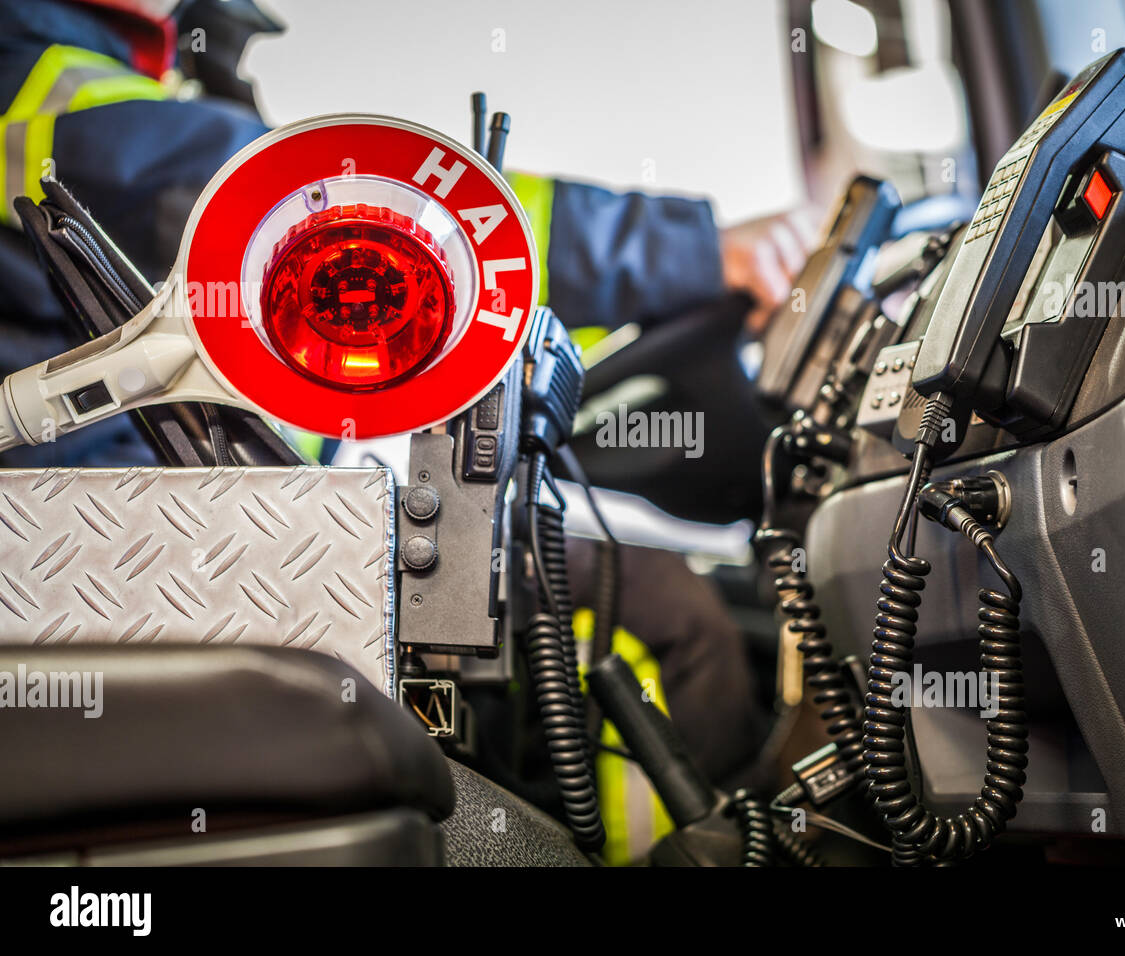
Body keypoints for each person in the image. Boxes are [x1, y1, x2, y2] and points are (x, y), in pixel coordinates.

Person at [0, 0, 807, 858]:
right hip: (125, 534)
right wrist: (694, 251)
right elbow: (390, 212)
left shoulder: (124, 68)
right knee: (653, 609)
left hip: (208, 514)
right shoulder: (32, 74)